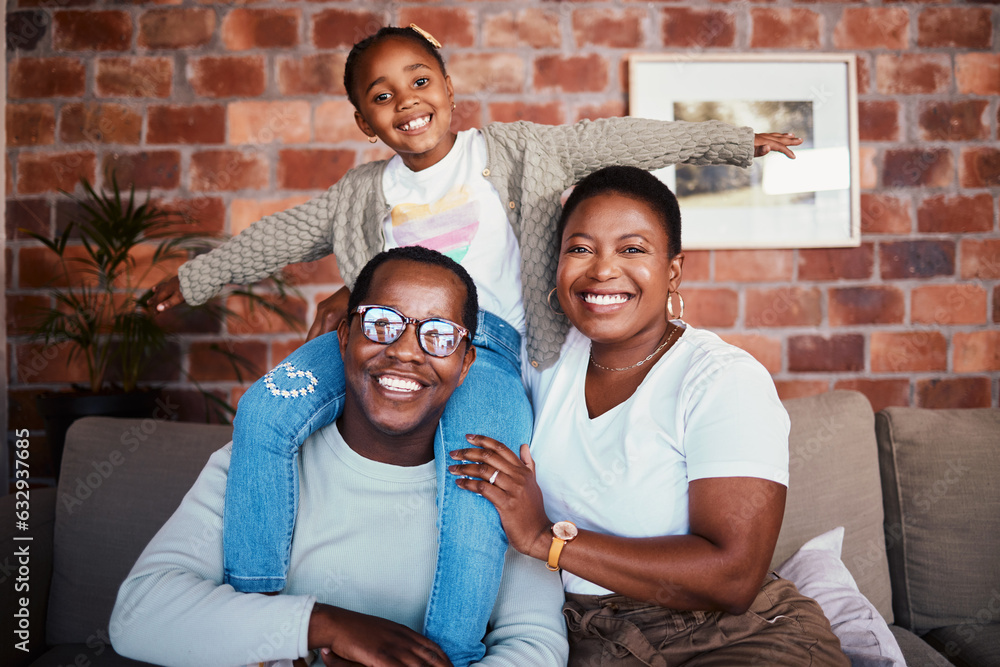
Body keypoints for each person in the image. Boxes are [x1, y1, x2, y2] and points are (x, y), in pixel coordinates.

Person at [148, 24, 802, 665]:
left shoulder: (513, 153)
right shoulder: (361, 192)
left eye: (419, 79)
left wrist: (732, 142)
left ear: (450, 88)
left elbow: (614, 139)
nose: (404, 100)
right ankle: (257, 614)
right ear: (362, 121)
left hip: (485, 345)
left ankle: (448, 651)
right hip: (383, 329)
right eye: (381, 95)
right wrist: (192, 278)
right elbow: (280, 236)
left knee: (475, 482)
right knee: (263, 408)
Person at [450, 166, 849, 665]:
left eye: (632, 249)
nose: (602, 270)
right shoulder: (542, 360)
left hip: (729, 637)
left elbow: (733, 577)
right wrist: (352, 292)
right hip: (581, 634)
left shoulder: (721, 379)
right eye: (580, 248)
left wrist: (544, 539)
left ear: (673, 271)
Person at [110, 246, 569, 667]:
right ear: (345, 335)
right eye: (381, 323)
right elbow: (139, 615)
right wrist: (327, 625)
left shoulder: (494, 485)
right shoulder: (259, 462)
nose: (406, 352)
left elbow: (536, 644)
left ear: (466, 362)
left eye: (439, 335)